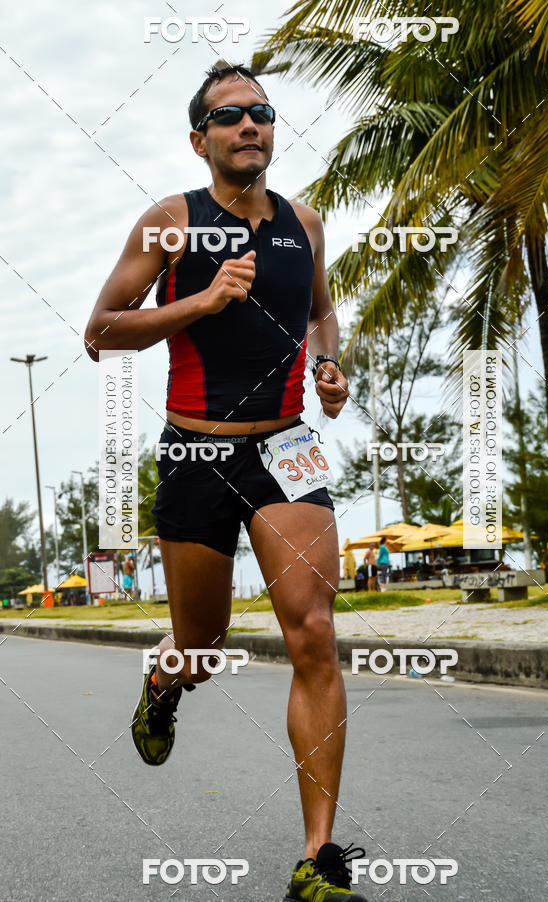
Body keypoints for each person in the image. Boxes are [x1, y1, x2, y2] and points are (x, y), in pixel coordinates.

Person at [85, 64, 367, 901]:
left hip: (286, 449)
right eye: (229, 115)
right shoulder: (169, 222)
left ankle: (317, 858)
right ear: (199, 138)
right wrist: (201, 303)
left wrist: (328, 364)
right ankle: (165, 682)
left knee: (312, 632)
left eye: (261, 113)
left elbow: (320, 311)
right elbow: (102, 330)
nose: (249, 125)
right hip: (196, 453)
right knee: (202, 649)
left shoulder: (304, 224)